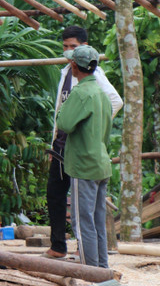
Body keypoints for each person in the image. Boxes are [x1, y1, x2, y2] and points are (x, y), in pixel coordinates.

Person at [45, 26, 123, 260]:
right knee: (93, 217)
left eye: (73, 49)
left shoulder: (86, 88)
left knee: (83, 219)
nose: (68, 54)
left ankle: (89, 267)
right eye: (65, 47)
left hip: (81, 157)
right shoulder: (89, 88)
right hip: (90, 157)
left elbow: (65, 122)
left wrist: (88, 125)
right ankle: (99, 268)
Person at [56, 44, 113, 269]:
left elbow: (64, 123)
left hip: (83, 166)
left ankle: (90, 274)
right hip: (101, 163)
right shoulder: (101, 92)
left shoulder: (81, 92)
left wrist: (63, 109)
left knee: (83, 224)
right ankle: (102, 271)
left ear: (73, 66)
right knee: (98, 221)